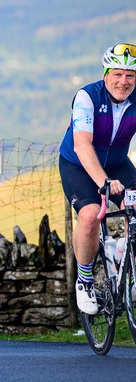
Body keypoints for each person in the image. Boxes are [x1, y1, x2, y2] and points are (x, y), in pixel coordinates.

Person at [59, 43, 136, 315]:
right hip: (78, 165)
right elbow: (82, 145)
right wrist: (103, 182)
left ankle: (126, 258)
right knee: (91, 215)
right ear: (106, 74)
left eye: (130, 76)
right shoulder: (87, 97)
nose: (123, 81)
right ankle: (85, 280)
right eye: (117, 74)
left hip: (117, 164)